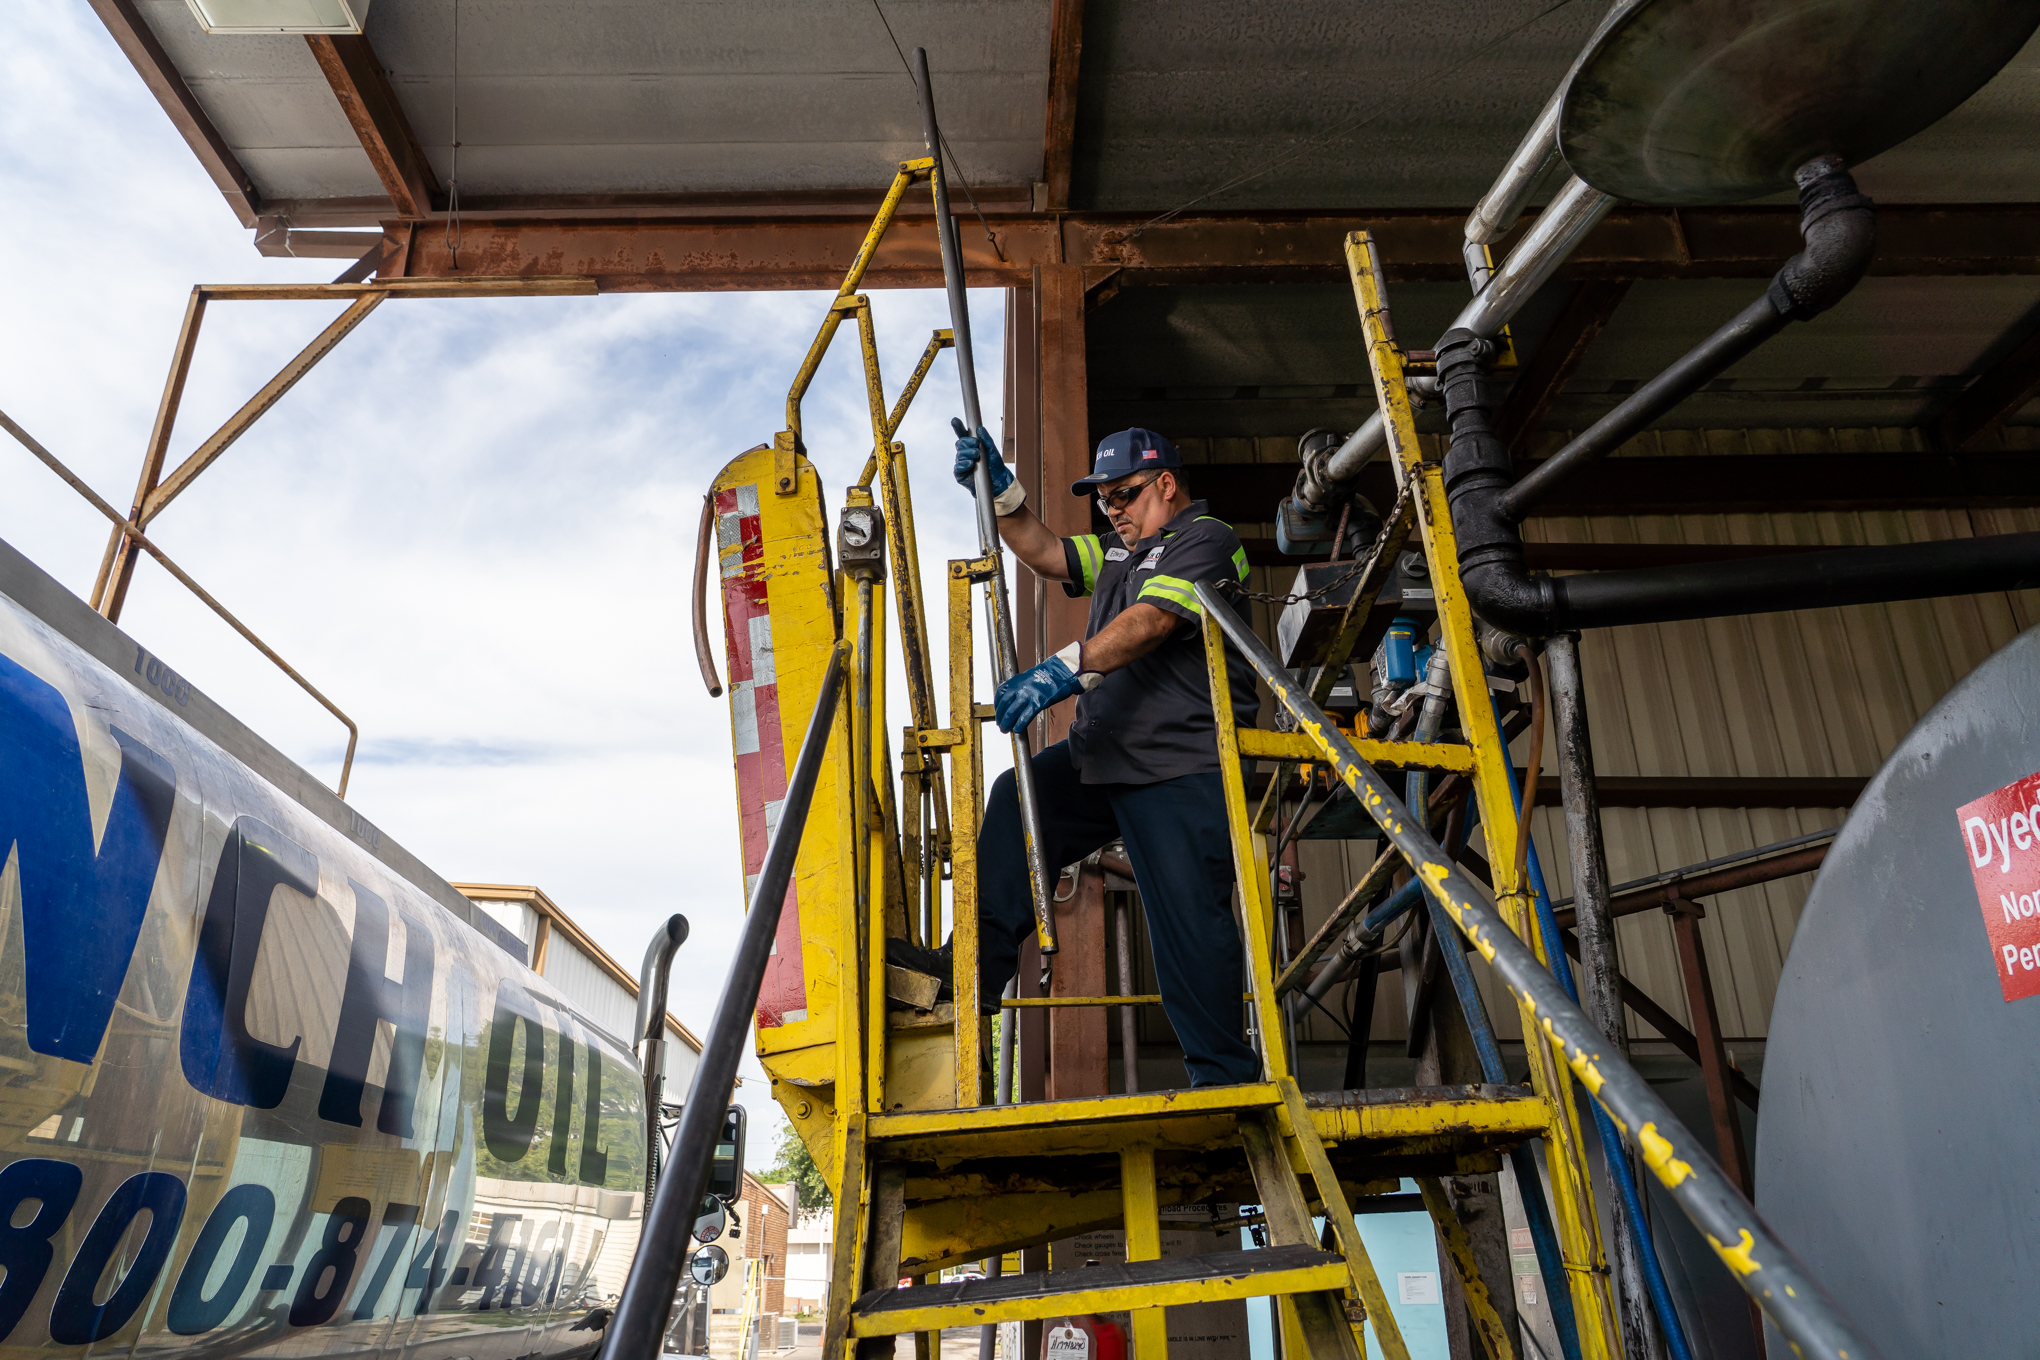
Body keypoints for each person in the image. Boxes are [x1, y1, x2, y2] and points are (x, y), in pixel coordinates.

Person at [952, 418, 1263, 1087]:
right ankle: (967, 981)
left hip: (1181, 764)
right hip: (1108, 757)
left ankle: (1224, 1076)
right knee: (1017, 801)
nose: (1114, 510)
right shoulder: (1120, 554)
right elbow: (1046, 553)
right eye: (1104, 499)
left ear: (1167, 484)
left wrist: (1062, 669)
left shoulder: (1208, 542)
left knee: (1188, 922)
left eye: (1126, 494)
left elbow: (1151, 622)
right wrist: (1000, 494)